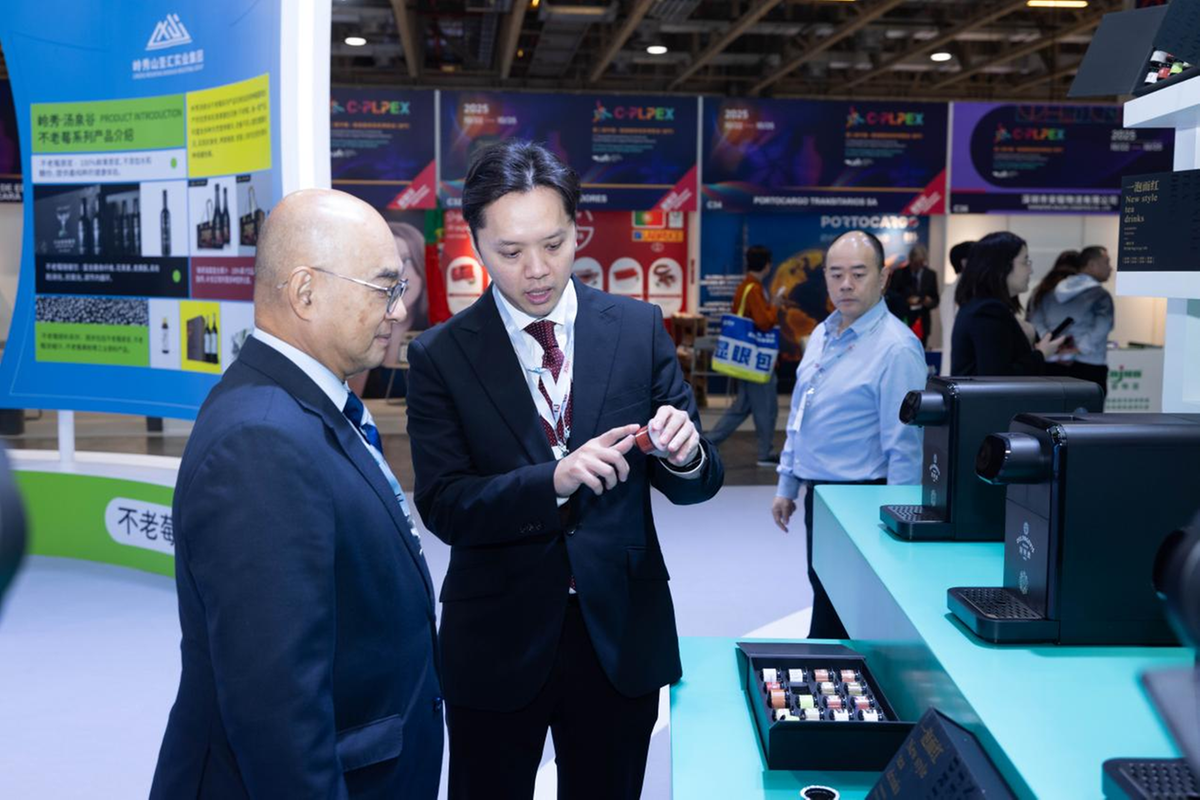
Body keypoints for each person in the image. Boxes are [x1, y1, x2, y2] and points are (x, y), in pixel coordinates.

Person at [406, 140, 723, 800]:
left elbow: (698, 482)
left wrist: (685, 453)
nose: (536, 270)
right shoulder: (441, 356)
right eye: (510, 252)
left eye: (553, 244)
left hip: (619, 632)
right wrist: (551, 482)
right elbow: (443, 504)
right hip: (496, 636)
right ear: (476, 242)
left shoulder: (637, 328)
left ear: (577, 228)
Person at [150, 189, 442, 799]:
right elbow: (277, 712)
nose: (398, 310)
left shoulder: (305, 407)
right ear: (305, 292)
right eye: (383, 288)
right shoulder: (261, 443)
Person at [771, 231, 926, 640]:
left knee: (850, 609)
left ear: (882, 278)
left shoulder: (896, 349)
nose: (846, 285)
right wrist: (788, 482)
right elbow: (802, 413)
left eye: (858, 274)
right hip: (820, 494)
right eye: (836, 274)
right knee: (823, 590)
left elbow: (906, 447)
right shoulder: (823, 334)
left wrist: (900, 522)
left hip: (864, 497)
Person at [951, 231, 1068, 376]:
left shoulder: (981, 305)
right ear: (1002, 265)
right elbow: (997, 377)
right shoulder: (988, 310)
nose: (1030, 270)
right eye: (1025, 262)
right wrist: (1041, 354)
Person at [707, 244, 782, 466]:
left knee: (740, 408)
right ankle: (765, 453)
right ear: (767, 265)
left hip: (745, 359)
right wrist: (775, 306)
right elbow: (764, 322)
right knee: (767, 407)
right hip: (756, 361)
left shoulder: (745, 287)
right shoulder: (754, 289)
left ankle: (708, 443)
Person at [1028, 245, 1114, 394]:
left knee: (1052, 407)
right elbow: (1102, 326)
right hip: (1090, 365)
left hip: (1051, 362)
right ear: (1090, 265)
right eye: (1107, 262)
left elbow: (1036, 322)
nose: (1111, 268)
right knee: (1088, 408)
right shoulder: (1100, 294)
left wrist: (1055, 345)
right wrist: (1078, 349)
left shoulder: (1045, 291)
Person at [886, 243, 940, 346]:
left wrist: (929, 302)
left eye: (921, 263)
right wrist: (906, 301)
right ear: (910, 260)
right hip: (902, 321)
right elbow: (891, 297)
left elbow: (936, 299)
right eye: (915, 263)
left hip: (922, 322)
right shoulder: (899, 274)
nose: (918, 266)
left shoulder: (930, 275)